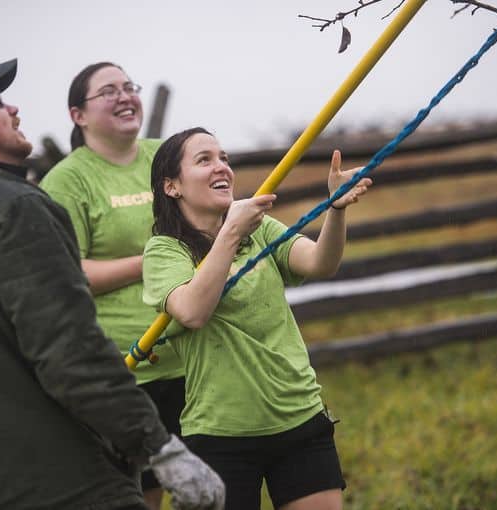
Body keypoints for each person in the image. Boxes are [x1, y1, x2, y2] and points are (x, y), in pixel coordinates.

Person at [0, 60, 224, 510]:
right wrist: (159, 447)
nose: (14, 110)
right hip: (64, 486)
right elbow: (70, 348)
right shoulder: (18, 209)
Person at [142, 127, 372, 510]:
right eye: (204, 160)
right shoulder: (164, 251)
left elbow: (320, 262)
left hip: (299, 416)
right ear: (171, 186)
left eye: (224, 158)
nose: (222, 168)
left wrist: (336, 209)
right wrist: (230, 230)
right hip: (220, 433)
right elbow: (193, 311)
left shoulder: (260, 230)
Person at [39, 62, 185, 510]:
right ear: (77, 115)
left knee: (208, 483)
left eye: (129, 87)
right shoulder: (66, 181)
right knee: (138, 492)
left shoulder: (167, 157)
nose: (125, 96)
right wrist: (151, 262)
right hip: (125, 367)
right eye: (109, 91)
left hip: (194, 357)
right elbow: (69, 274)